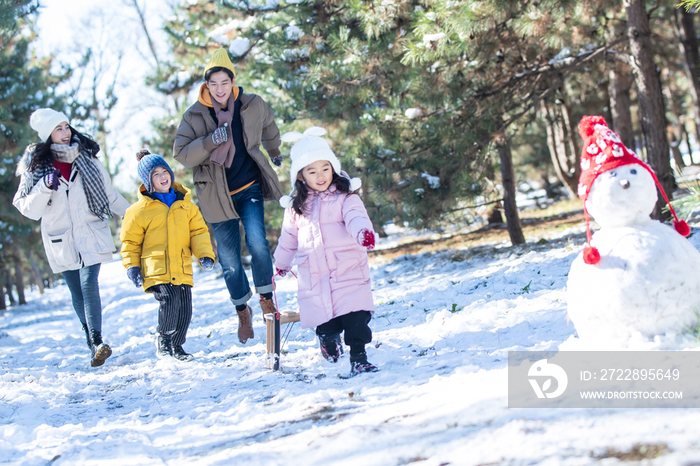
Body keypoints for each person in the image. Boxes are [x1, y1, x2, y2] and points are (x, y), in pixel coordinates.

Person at [173, 47, 284, 345]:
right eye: (213, 84)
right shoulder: (194, 115)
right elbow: (181, 154)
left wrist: (274, 152)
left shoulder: (251, 105)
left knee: (258, 243)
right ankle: (242, 310)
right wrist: (210, 142)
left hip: (248, 186)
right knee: (230, 261)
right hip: (215, 196)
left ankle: (266, 299)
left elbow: (269, 125)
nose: (219, 89)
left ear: (232, 82)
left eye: (224, 82)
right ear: (206, 86)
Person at [13, 108, 130, 367]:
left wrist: (134, 214)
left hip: (91, 232)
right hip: (60, 240)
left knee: (89, 285)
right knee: (77, 293)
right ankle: (92, 343)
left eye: (66, 126)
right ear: (48, 135)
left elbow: (108, 194)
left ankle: (98, 340)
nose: (66, 133)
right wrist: (44, 186)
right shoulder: (35, 166)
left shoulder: (87, 158)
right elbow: (27, 209)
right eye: (59, 129)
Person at [273, 127, 379, 375]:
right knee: (327, 323)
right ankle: (327, 340)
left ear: (333, 168)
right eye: (312, 171)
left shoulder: (346, 196)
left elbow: (356, 217)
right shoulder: (296, 207)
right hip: (315, 275)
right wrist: (282, 263)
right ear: (300, 176)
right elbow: (288, 238)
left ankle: (359, 357)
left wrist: (363, 233)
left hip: (348, 269)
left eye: (325, 168)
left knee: (356, 317)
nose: (320, 176)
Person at [120, 150, 215, 361]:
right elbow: (130, 242)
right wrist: (132, 266)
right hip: (157, 268)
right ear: (148, 180)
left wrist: (204, 255)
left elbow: (198, 232)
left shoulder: (186, 206)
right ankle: (163, 340)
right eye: (156, 174)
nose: (163, 176)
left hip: (181, 267)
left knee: (185, 309)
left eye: (165, 171)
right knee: (169, 301)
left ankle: (177, 345)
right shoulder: (139, 210)